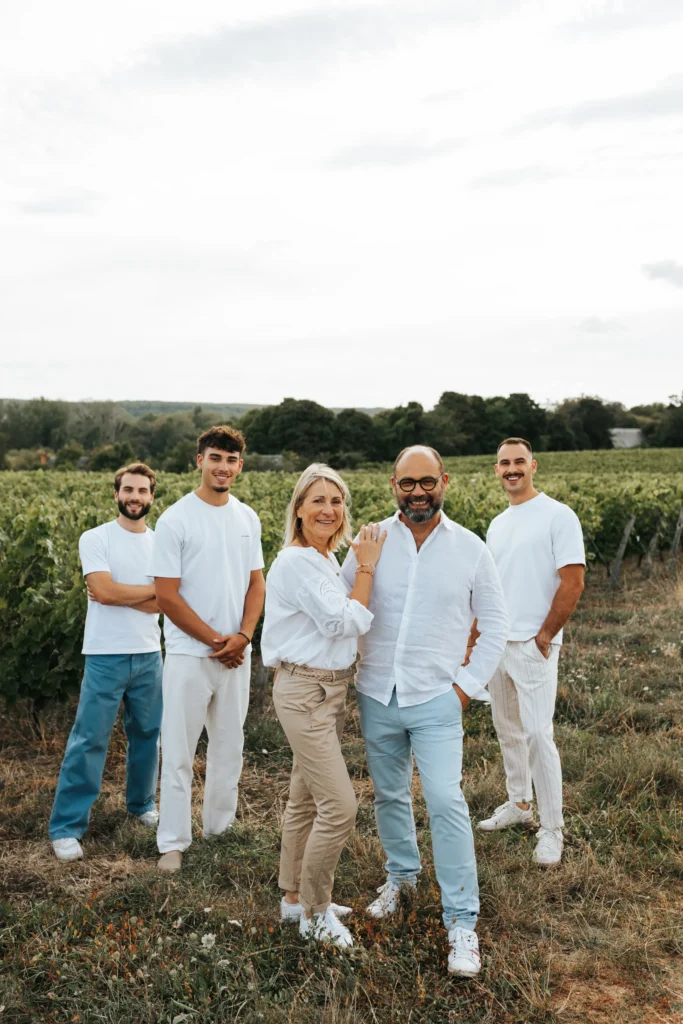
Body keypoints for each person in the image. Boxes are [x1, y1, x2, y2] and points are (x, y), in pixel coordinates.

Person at [341, 445, 508, 978]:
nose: (418, 492)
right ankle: (402, 878)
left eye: (427, 482)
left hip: (437, 697)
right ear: (393, 484)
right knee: (389, 794)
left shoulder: (471, 549)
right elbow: (342, 607)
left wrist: (464, 689)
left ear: (445, 482)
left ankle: (462, 922)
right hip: (376, 692)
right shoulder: (370, 541)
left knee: (445, 800)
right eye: (408, 483)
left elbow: (495, 626)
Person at [262, 464, 385, 949]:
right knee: (340, 806)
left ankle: (294, 899)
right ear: (298, 508)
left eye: (336, 501)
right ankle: (315, 912)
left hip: (324, 691)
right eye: (317, 500)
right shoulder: (297, 562)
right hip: (306, 692)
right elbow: (341, 623)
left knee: (306, 799)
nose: (329, 510)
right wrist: (368, 566)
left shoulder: (322, 558)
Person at [152, 426, 265, 873]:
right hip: (188, 654)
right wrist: (218, 641)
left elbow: (256, 584)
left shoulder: (248, 518)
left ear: (240, 465)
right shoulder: (175, 519)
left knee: (229, 747)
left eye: (231, 460)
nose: (223, 467)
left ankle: (219, 830)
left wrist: (244, 636)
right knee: (179, 751)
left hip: (237, 654)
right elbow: (167, 596)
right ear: (199, 460)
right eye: (215, 457)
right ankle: (173, 842)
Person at [474, 438, 585, 867]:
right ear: (496, 470)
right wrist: (477, 637)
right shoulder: (498, 524)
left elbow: (573, 581)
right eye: (504, 463)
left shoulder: (558, 515)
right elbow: (492, 587)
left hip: (533, 645)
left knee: (539, 735)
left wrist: (546, 635)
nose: (512, 469)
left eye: (519, 461)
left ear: (533, 466)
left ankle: (552, 828)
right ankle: (520, 804)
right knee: (508, 729)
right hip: (498, 643)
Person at [50, 463, 162, 863]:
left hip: (149, 652)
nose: (135, 497)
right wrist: (148, 593)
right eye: (128, 489)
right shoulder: (95, 537)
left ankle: (141, 805)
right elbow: (102, 590)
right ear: (116, 494)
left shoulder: (160, 542)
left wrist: (120, 593)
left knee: (147, 734)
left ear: (151, 496)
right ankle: (66, 827)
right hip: (104, 654)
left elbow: (167, 599)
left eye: (142, 490)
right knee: (90, 739)